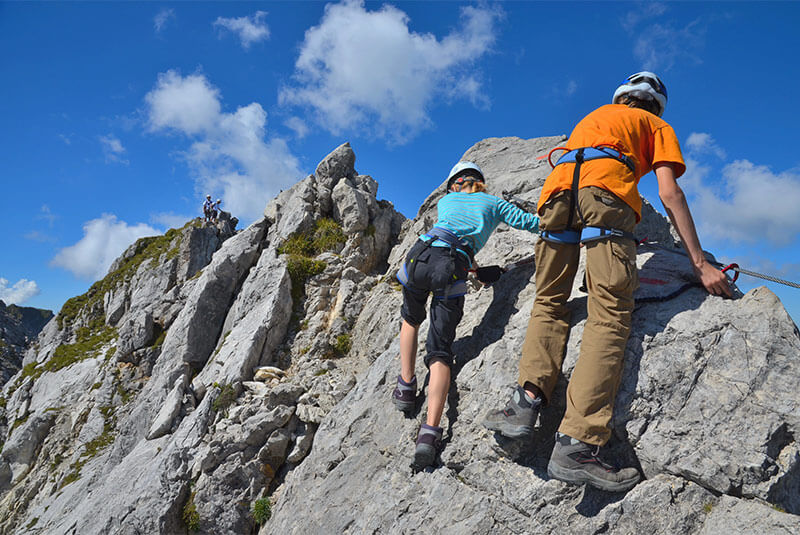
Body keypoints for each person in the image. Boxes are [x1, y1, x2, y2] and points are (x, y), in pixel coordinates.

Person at [483, 72, 732, 492]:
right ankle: (577, 443)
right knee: (610, 313)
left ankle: (523, 404)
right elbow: (670, 193)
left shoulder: (595, 116)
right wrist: (700, 263)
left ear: (623, 97)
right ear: (655, 105)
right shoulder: (655, 125)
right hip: (605, 196)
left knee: (549, 302)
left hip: (557, 193)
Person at [393, 161, 541, 470]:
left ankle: (406, 387)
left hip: (419, 255)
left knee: (411, 319)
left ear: (453, 185)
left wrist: (472, 268)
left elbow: (449, 235)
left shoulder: (446, 201)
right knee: (440, 351)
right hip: (452, 264)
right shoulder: (493, 203)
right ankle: (429, 434)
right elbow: (531, 223)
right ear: (480, 183)